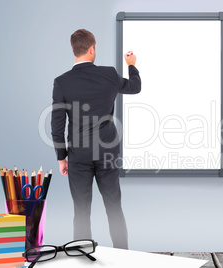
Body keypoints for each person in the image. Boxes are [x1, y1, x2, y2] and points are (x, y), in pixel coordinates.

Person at [50, 29, 141, 249]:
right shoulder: (109, 74)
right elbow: (135, 87)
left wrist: (62, 157)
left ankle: (81, 256)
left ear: (74, 50)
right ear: (92, 49)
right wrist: (131, 64)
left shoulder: (62, 82)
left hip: (78, 155)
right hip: (107, 153)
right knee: (114, 206)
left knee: (81, 209)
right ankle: (123, 255)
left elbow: (57, 124)